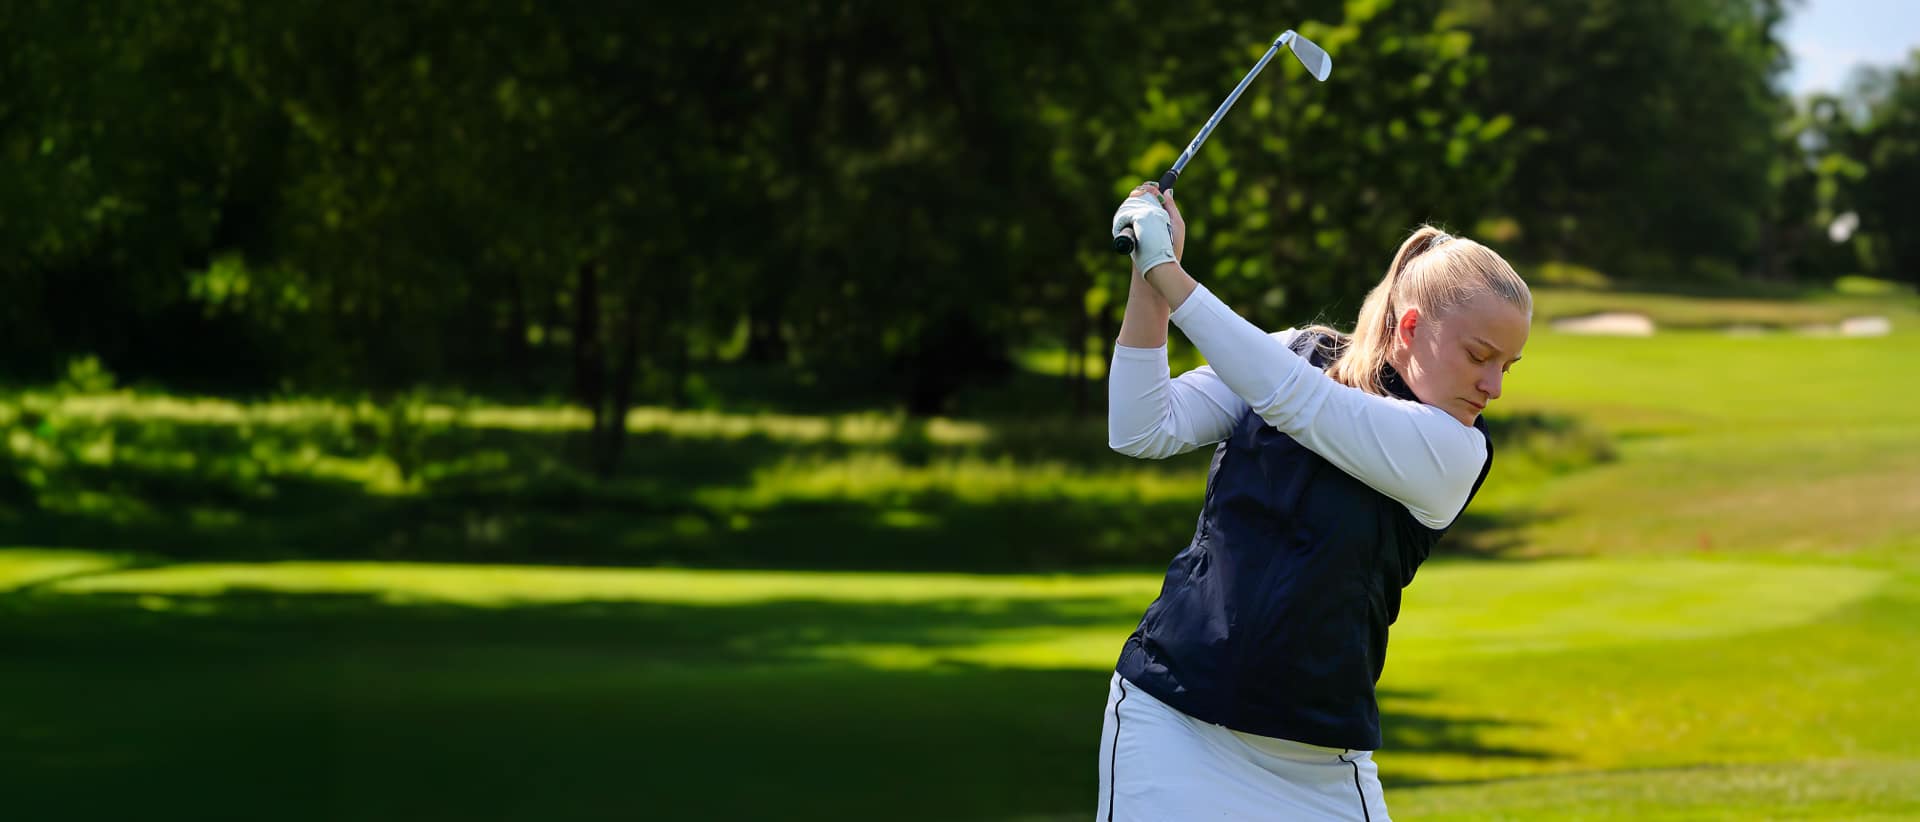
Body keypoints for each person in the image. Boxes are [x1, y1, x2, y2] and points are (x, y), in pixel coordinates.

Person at [1096, 181, 1532, 820]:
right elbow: (1142, 426)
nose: (1493, 386)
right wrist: (1147, 278)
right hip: (1170, 723)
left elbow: (1301, 405)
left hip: (1319, 768)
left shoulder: (1454, 450)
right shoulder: (1294, 352)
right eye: (1479, 357)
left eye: (1508, 366)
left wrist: (1170, 273)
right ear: (1411, 326)